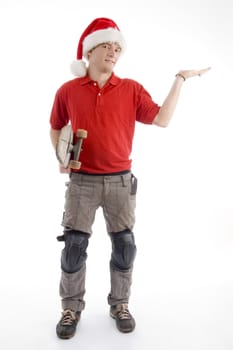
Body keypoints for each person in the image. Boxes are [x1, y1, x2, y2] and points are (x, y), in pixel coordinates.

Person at [49, 17, 210, 339]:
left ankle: (119, 304)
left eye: (118, 47)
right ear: (90, 50)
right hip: (82, 184)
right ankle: (71, 308)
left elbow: (161, 120)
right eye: (107, 46)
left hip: (121, 182)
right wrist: (61, 156)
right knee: (74, 248)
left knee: (125, 246)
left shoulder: (131, 89)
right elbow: (56, 127)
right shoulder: (68, 90)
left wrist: (180, 79)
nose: (113, 52)